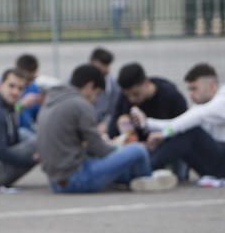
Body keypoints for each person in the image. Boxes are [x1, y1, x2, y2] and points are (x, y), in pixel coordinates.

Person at [36, 65, 177, 193]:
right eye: (97, 93)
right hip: (76, 179)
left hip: (55, 181)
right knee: (138, 150)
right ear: (89, 86)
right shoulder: (80, 105)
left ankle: (133, 178)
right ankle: (147, 179)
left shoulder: (51, 101)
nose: (96, 100)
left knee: (123, 165)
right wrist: (118, 147)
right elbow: (99, 149)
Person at [133, 62, 225, 179]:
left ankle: (145, 169)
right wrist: (146, 122)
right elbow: (177, 123)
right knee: (182, 131)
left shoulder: (222, 100)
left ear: (212, 86)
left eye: (194, 89)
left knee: (190, 132)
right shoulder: (201, 106)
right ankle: (143, 167)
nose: (190, 94)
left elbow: (194, 118)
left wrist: (164, 134)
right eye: (189, 89)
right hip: (215, 163)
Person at [0, 54, 41, 133]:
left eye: (34, 78)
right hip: (11, 131)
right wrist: (21, 105)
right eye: (29, 79)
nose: (31, 82)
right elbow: (4, 115)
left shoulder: (33, 87)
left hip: (29, 129)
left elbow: (38, 115)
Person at [88, 47, 118, 125]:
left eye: (106, 66)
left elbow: (115, 111)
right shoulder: (76, 80)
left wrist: (105, 124)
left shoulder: (114, 86)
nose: (104, 69)